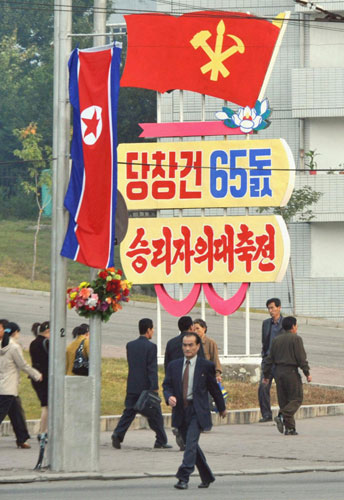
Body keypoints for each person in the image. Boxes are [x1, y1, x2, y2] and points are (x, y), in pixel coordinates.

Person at [163, 332, 227, 490]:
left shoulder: (206, 366)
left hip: (197, 411)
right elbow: (167, 385)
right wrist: (169, 396)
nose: (187, 348)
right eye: (185, 345)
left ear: (198, 346)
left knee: (190, 444)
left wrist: (221, 407)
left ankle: (183, 477)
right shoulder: (174, 365)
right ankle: (207, 476)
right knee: (191, 446)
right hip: (180, 410)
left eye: (191, 345)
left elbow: (214, 388)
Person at [111, 318, 171, 450]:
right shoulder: (151, 347)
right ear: (149, 330)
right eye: (152, 329)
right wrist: (154, 386)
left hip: (132, 385)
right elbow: (151, 368)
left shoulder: (130, 345)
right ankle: (161, 440)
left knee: (129, 412)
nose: (153, 331)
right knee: (155, 414)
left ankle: (118, 433)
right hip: (146, 387)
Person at [263, 316, 311, 436]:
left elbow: (269, 359)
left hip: (278, 373)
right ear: (293, 326)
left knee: (284, 401)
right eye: (296, 325)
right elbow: (301, 358)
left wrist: (266, 375)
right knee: (296, 398)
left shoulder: (276, 340)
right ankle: (281, 415)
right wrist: (307, 373)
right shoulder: (296, 339)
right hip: (291, 372)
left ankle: (290, 428)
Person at [0, 322, 42, 446]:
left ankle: (22, 438)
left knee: (16, 413)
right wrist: (37, 375)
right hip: (8, 387)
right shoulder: (14, 347)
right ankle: (22, 438)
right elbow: (22, 365)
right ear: (15, 332)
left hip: (7, 386)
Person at [258, 298, 284, 422]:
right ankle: (266, 414)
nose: (271, 310)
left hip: (280, 362)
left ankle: (282, 414)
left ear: (279, 308)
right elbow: (265, 341)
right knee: (263, 387)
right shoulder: (266, 323)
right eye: (269, 308)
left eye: (273, 307)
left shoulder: (286, 324)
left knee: (282, 389)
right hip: (268, 361)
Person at [29, 321, 50, 436]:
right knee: (46, 405)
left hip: (35, 377)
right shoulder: (47, 343)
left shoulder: (33, 343)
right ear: (48, 331)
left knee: (45, 404)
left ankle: (44, 431)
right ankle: (43, 432)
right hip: (45, 378)